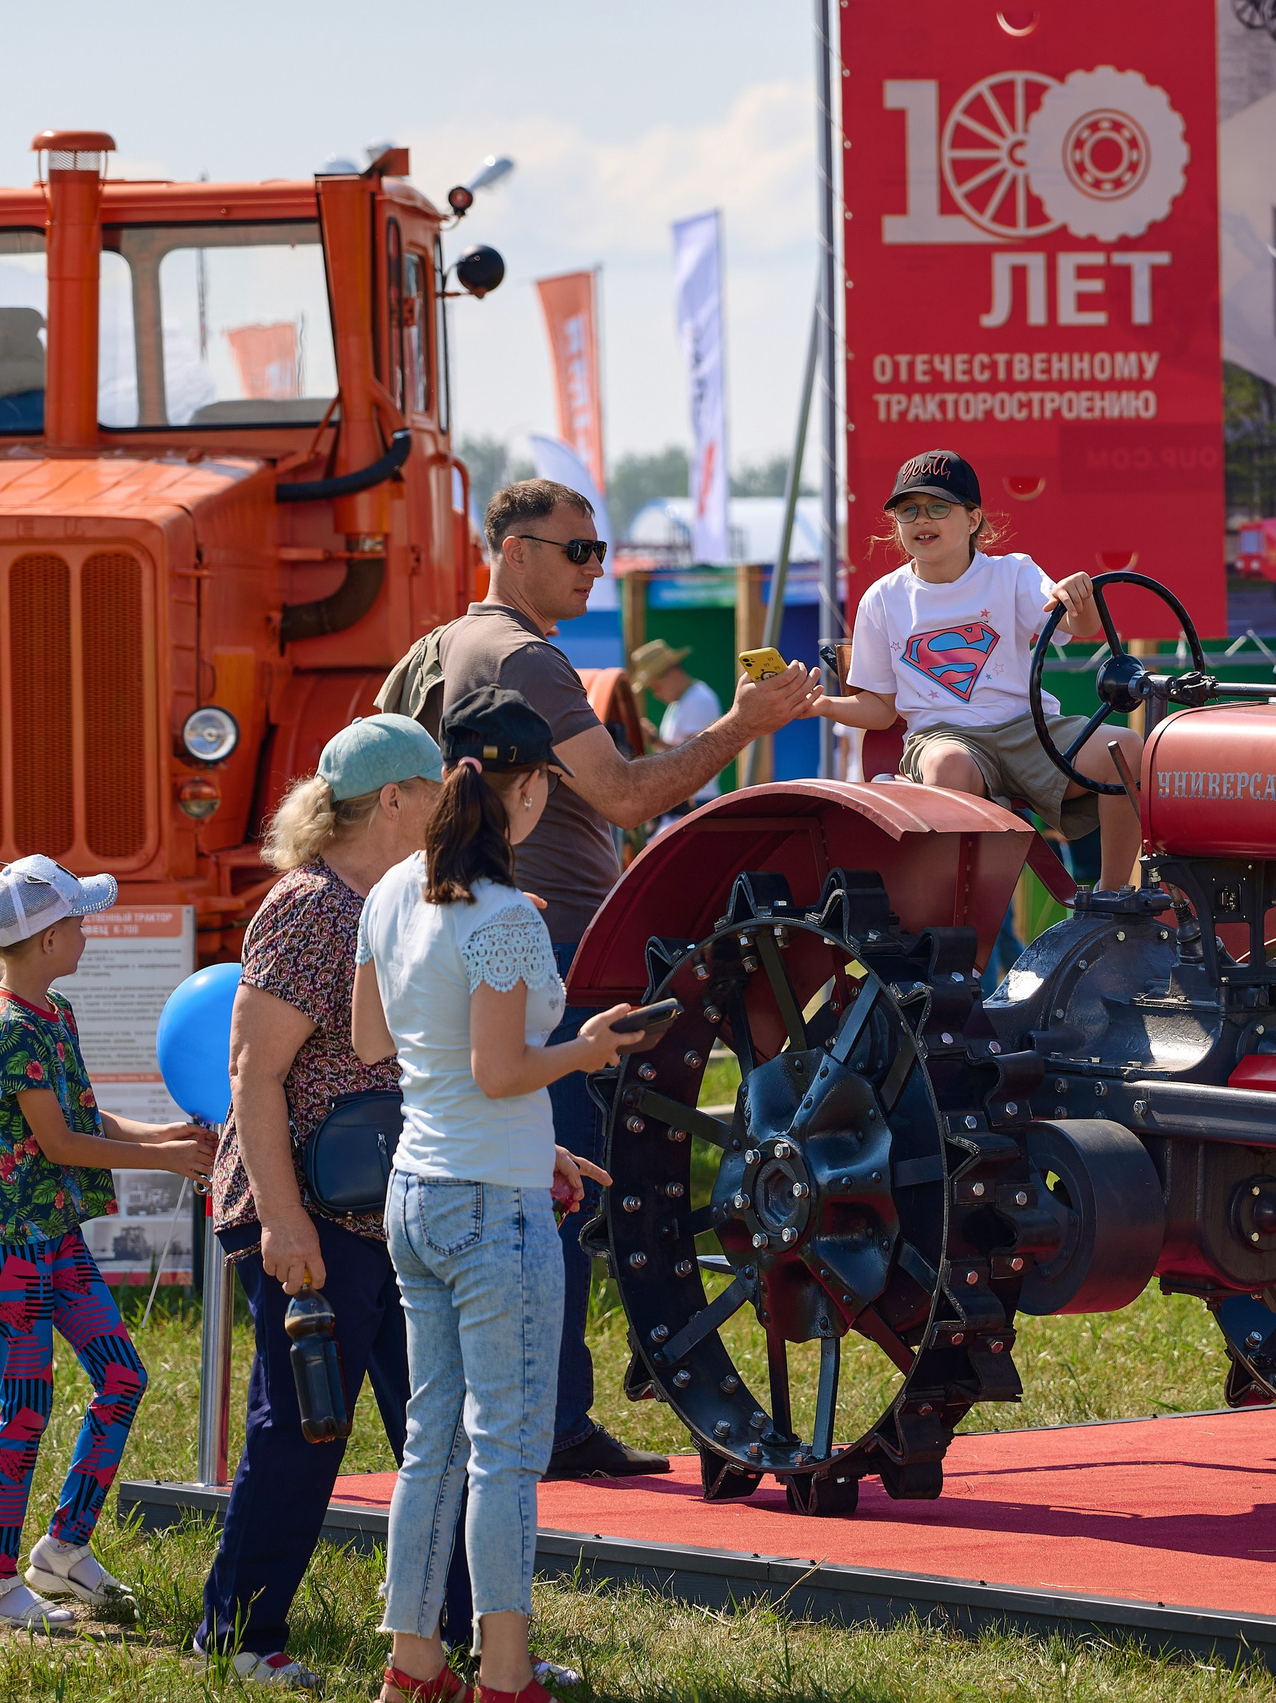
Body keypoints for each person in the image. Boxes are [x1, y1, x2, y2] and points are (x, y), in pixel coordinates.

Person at [436, 479, 816, 1480]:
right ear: (514, 551)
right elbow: (625, 792)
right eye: (579, 551)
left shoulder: (446, 649)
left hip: (501, 947)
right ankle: (559, 1424)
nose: (595, 567)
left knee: (542, 1184)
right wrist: (745, 723)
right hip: (552, 954)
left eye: (599, 551)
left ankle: (548, 1409)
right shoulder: (526, 658)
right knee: (573, 1187)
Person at [352, 686, 647, 1703]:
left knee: (431, 1442)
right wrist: (588, 1048)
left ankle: (414, 1662)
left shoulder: (391, 890)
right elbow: (501, 1069)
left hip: (417, 1189)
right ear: (527, 793)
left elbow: (371, 1040)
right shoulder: (512, 915)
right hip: (490, 1201)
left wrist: (538, 1144)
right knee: (507, 1451)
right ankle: (506, 1670)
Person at [192, 716, 487, 1690]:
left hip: (396, 1209)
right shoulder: (312, 905)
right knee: (304, 1430)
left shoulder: (406, 901)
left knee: (438, 1428)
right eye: (437, 788)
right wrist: (281, 1220)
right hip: (310, 1214)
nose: (452, 806)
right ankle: (237, 1638)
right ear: (395, 797)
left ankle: (455, 1641)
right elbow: (254, 1072)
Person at [0, 856, 216, 1630]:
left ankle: (61, 1550)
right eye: (80, 920)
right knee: (26, 1410)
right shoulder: (7, 1030)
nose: (88, 930)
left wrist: (161, 1133)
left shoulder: (53, 1014)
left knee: (121, 1378)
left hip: (53, 1238)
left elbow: (86, 1119)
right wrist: (164, 1158)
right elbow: (60, 1144)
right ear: (48, 937)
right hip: (15, 1248)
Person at [806, 449, 1143, 891]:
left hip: (1029, 730)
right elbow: (880, 710)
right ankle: (956, 915)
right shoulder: (881, 599)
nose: (922, 519)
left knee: (1127, 746)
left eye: (939, 507)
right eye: (909, 510)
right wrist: (819, 705)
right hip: (943, 737)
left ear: (972, 518)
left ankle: (1114, 898)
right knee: (949, 765)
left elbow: (1079, 625)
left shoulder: (1012, 573)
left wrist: (1080, 599)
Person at [628, 637, 725, 813]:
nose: (656, 694)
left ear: (673, 673)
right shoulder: (681, 702)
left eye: (656, 687)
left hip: (695, 803)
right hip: (687, 803)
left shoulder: (698, 700)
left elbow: (694, 758)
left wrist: (653, 738)